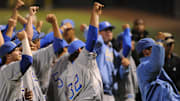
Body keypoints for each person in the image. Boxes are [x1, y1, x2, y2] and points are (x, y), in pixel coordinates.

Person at [47, 2, 104, 101]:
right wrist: (94, 13)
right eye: (84, 47)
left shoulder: (67, 72)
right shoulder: (83, 59)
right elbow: (92, 39)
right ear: (79, 50)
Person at [0, 30, 33, 101]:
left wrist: (23, 96)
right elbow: (28, 60)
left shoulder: (6, 70)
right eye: (16, 50)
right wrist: (24, 39)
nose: (20, 52)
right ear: (8, 56)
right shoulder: (7, 69)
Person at [114, 24, 138, 101]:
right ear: (122, 42)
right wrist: (126, 30)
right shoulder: (123, 55)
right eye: (130, 39)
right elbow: (127, 46)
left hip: (129, 96)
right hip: (126, 97)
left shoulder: (130, 57)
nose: (133, 42)